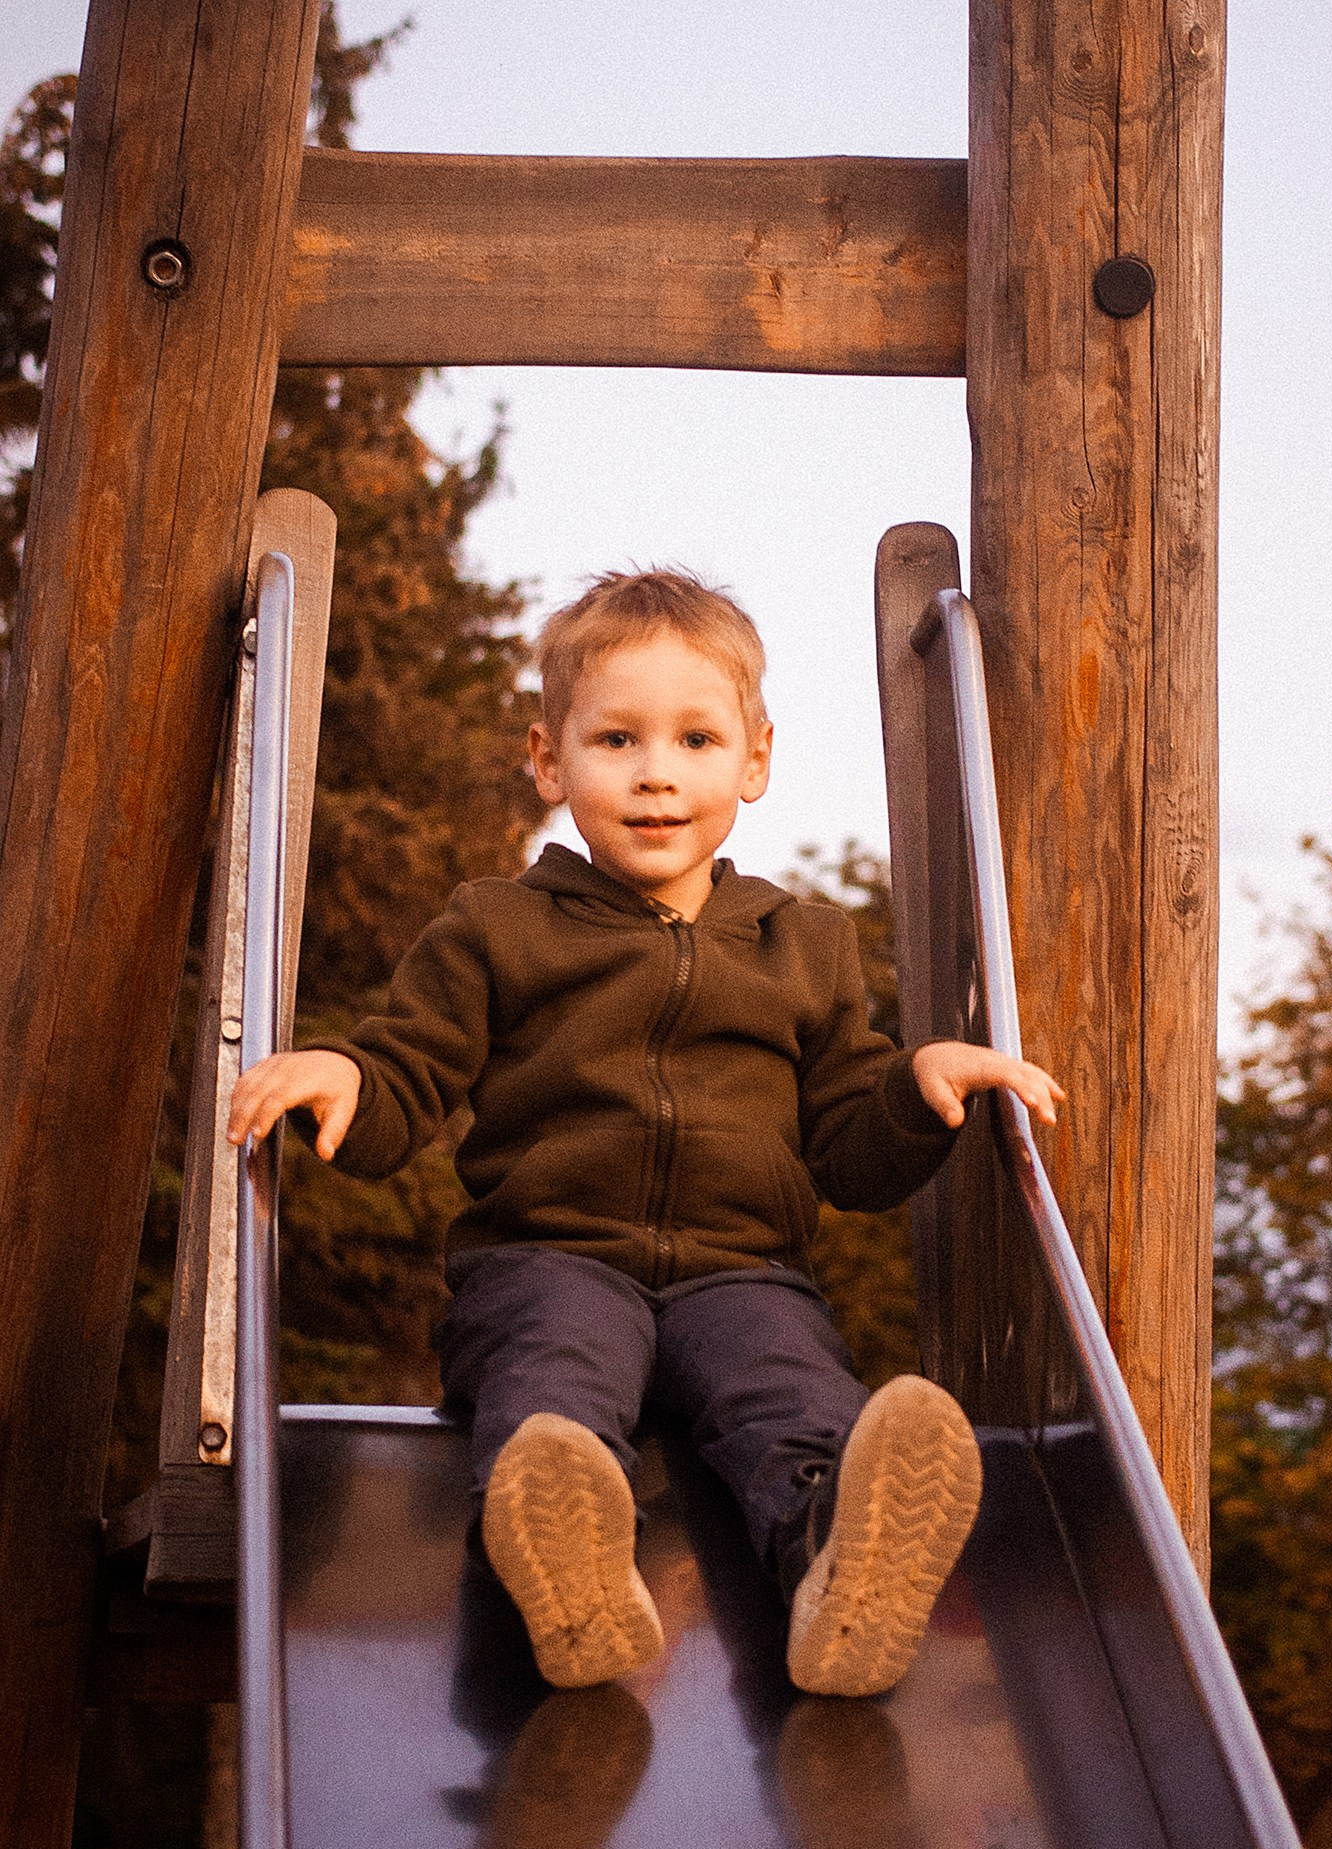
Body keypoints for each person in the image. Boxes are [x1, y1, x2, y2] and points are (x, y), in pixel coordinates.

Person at [227, 568, 1062, 1699]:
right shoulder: (497, 926)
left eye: (696, 741)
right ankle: (569, 1578)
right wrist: (344, 1077)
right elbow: (409, 1075)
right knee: (550, 1392)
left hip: (743, 1276)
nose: (657, 772)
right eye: (615, 740)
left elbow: (848, 1154)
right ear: (548, 758)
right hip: (546, 1263)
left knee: (798, 1404)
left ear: (754, 760)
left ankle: (840, 1575)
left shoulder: (801, 944)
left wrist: (918, 1088)